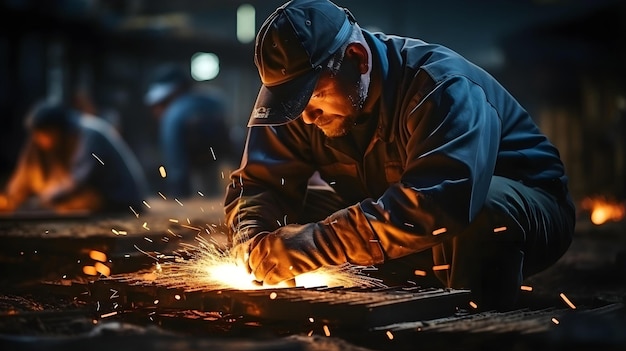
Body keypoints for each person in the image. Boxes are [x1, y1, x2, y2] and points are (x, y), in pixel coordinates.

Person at [226, 0, 575, 310]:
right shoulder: (296, 101)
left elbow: (440, 202)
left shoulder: (440, 86)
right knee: (291, 220)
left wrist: (316, 244)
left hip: (520, 211)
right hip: (399, 212)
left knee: (482, 210)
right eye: (292, 102)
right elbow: (258, 185)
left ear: (357, 59)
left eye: (312, 97)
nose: (304, 116)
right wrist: (254, 243)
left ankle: (469, 310)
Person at [0, 100, 148, 214]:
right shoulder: (39, 140)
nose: (41, 140)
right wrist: (11, 198)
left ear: (58, 129)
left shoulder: (90, 134)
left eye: (46, 134)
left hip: (118, 199)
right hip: (72, 194)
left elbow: (78, 179)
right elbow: (25, 173)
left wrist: (42, 200)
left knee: (85, 201)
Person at [144, 64, 232, 198]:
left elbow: (177, 167)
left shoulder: (173, 116)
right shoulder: (215, 101)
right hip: (219, 166)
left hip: (203, 168)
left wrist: (178, 196)